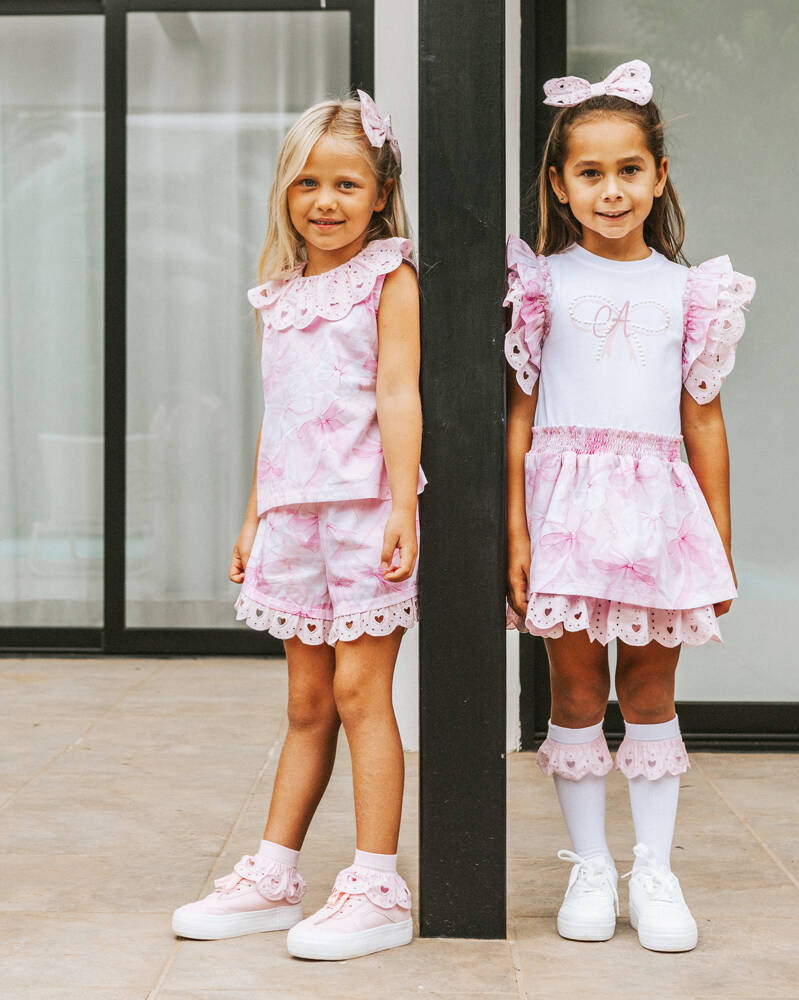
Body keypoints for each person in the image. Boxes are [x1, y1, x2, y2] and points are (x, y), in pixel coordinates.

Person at [505, 59, 755, 952]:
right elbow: (521, 414)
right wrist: (515, 528)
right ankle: (591, 866)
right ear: (560, 185)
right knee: (574, 686)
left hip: (657, 510)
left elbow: (704, 416)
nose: (611, 190)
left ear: (658, 178)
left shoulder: (691, 292)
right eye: (590, 172)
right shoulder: (541, 283)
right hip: (564, 506)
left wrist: (719, 537)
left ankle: (654, 867)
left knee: (648, 688)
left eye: (629, 171)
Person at [172, 92, 424, 962]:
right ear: (285, 192)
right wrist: (253, 514)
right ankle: (276, 874)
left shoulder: (391, 278)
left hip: (361, 515)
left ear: (381, 191)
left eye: (347, 183)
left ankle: (378, 885)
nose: (326, 200)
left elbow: (398, 394)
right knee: (307, 701)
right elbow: (276, 416)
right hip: (292, 517)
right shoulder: (279, 292)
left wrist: (401, 503)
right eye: (308, 183)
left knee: (361, 696)